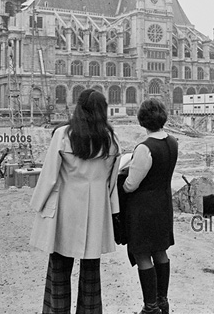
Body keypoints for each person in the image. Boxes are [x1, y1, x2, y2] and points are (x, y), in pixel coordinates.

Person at [29, 89, 120, 313]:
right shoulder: (111, 139)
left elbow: (50, 175)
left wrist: (38, 205)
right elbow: (112, 182)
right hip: (96, 208)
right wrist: (113, 211)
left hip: (66, 207)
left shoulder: (63, 135)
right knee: (91, 273)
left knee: (58, 269)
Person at [123, 98, 178, 314]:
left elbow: (130, 185)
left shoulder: (145, 148)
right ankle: (162, 302)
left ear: (142, 120)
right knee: (160, 251)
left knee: (143, 254)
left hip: (144, 209)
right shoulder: (173, 141)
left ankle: (150, 307)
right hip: (164, 205)